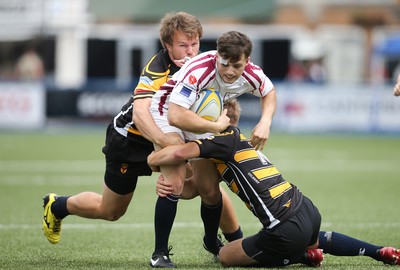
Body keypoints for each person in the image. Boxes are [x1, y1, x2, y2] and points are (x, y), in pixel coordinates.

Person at [41, 12, 243, 262]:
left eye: (195, 44)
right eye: (182, 45)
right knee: (111, 210)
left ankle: (234, 245)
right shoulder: (157, 69)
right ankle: (57, 205)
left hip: (171, 134)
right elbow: (140, 114)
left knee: (206, 184)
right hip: (129, 140)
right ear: (167, 45)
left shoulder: (204, 65)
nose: (190, 51)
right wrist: (167, 146)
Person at [149, 99, 400, 267]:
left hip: (284, 227)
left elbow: (179, 153)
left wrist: (150, 160)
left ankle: (299, 256)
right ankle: (378, 251)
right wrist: (174, 187)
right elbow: (199, 188)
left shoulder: (220, 141)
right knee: (317, 238)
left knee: (226, 256)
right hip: (306, 209)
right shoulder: (234, 142)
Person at [148, 30, 276, 267]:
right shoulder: (200, 71)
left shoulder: (252, 73)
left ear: (247, 61)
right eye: (224, 63)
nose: (229, 71)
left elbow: (268, 92)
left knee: (209, 190)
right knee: (173, 183)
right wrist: (214, 126)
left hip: (202, 116)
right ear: (218, 55)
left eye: (236, 66)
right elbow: (176, 116)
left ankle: (210, 241)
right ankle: (159, 253)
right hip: (167, 112)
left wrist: (265, 121)